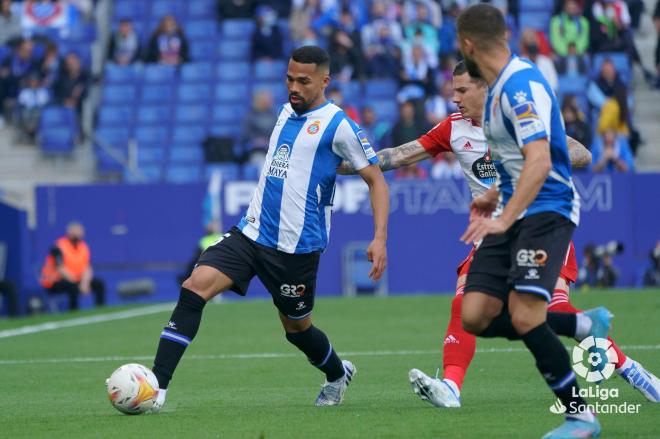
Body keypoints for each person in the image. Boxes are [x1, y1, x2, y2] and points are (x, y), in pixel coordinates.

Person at [339, 61, 660, 407]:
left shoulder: (519, 118)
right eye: (453, 90)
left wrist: (537, 149)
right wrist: (346, 164)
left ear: (484, 88)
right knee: (464, 303)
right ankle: (450, 386)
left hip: (539, 226)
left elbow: (581, 155)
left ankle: (629, 369)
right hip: (493, 235)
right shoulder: (453, 129)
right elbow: (399, 155)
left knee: (550, 312)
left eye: (462, 90)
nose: (454, 98)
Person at [149, 46, 389, 411]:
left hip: (296, 250)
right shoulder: (283, 113)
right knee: (194, 288)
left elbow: (376, 180)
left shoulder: (340, 126)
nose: (294, 87)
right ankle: (156, 389)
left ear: (325, 81)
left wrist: (380, 238)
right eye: (289, 78)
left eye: (304, 81)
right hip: (251, 233)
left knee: (297, 330)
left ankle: (337, 373)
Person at [456, 5, 607, 438]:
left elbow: (539, 162)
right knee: (476, 314)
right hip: (513, 207)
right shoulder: (495, 89)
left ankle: (581, 417)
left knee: (524, 315)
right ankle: (577, 324)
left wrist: (502, 219)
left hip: (547, 208)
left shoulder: (519, 88)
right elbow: (515, 162)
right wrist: (493, 195)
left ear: (468, 44)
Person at [40, 221, 106, 311]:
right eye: (75, 232)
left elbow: (87, 268)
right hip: (54, 282)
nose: (77, 234)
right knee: (73, 287)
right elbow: (60, 269)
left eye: (79, 232)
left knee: (99, 284)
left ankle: (100, 310)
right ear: (69, 232)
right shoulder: (58, 247)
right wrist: (77, 284)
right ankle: (74, 311)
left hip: (77, 279)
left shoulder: (83, 247)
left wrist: (84, 283)